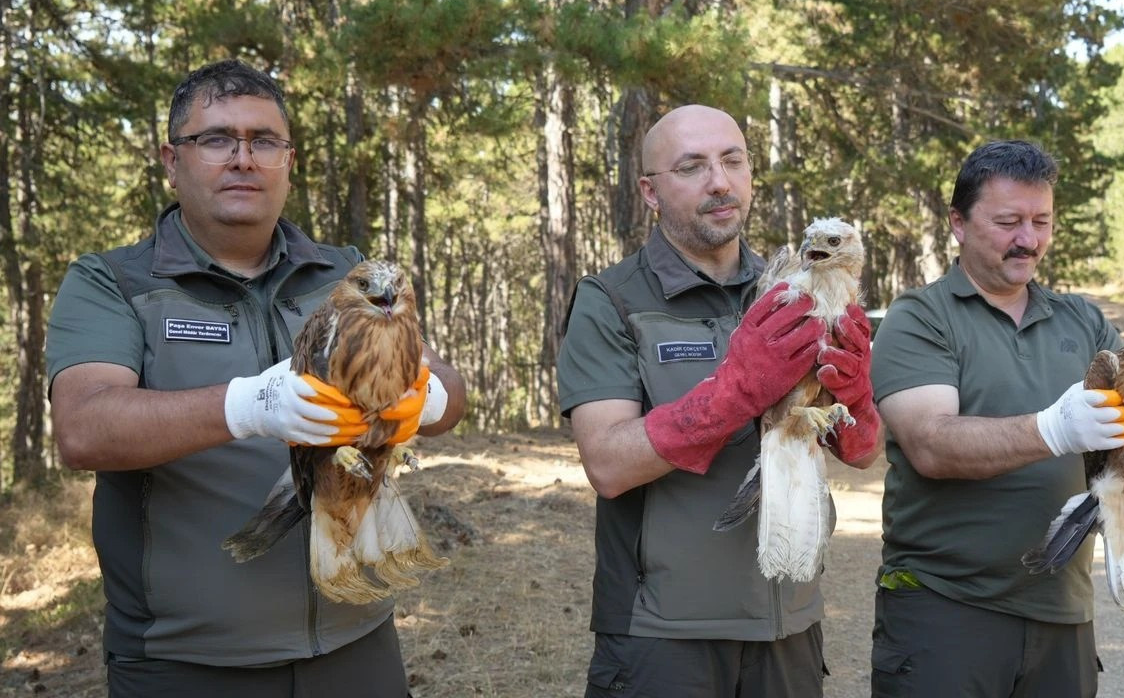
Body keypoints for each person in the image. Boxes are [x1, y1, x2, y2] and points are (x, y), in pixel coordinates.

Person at [45, 59, 466, 698]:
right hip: (186, 664)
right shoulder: (114, 283)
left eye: (264, 141)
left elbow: (449, 390)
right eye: (216, 139)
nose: (243, 159)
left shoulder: (347, 275)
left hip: (359, 644)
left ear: (288, 162)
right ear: (171, 160)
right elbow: (83, 429)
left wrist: (428, 397)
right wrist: (249, 405)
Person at [557, 104, 882, 697]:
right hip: (663, 634)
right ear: (651, 192)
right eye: (692, 167)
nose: (719, 181)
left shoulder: (795, 290)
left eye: (733, 161)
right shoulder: (613, 300)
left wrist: (855, 401)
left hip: (789, 623)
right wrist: (734, 392)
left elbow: (861, 453)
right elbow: (607, 464)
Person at [868, 140, 1124, 697]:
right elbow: (930, 444)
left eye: (1041, 221)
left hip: (1062, 608)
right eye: (1008, 222)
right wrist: (1054, 428)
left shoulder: (1084, 322)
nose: (1028, 239)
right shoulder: (920, 317)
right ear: (958, 223)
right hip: (943, 608)